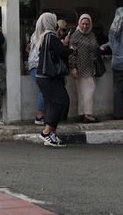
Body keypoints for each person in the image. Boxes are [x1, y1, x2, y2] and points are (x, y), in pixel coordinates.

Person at [35, 12, 73, 147]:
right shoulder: (51, 36)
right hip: (49, 76)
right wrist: (71, 48)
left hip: (43, 76)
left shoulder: (41, 36)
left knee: (52, 104)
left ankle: (51, 134)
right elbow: (62, 52)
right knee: (62, 101)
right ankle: (46, 132)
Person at [69, 13, 103, 123]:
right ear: (79, 23)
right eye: (83, 24)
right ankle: (87, 114)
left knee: (84, 92)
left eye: (87, 24)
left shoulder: (92, 35)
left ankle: (82, 114)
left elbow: (95, 48)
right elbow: (71, 53)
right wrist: (73, 67)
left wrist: (100, 48)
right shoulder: (75, 36)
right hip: (80, 67)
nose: (85, 26)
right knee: (89, 90)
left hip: (90, 67)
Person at [26, 13, 48, 125]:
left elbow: (28, 48)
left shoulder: (35, 34)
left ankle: (42, 114)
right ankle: (40, 115)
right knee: (43, 89)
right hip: (39, 65)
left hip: (33, 65)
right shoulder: (45, 35)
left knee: (43, 89)